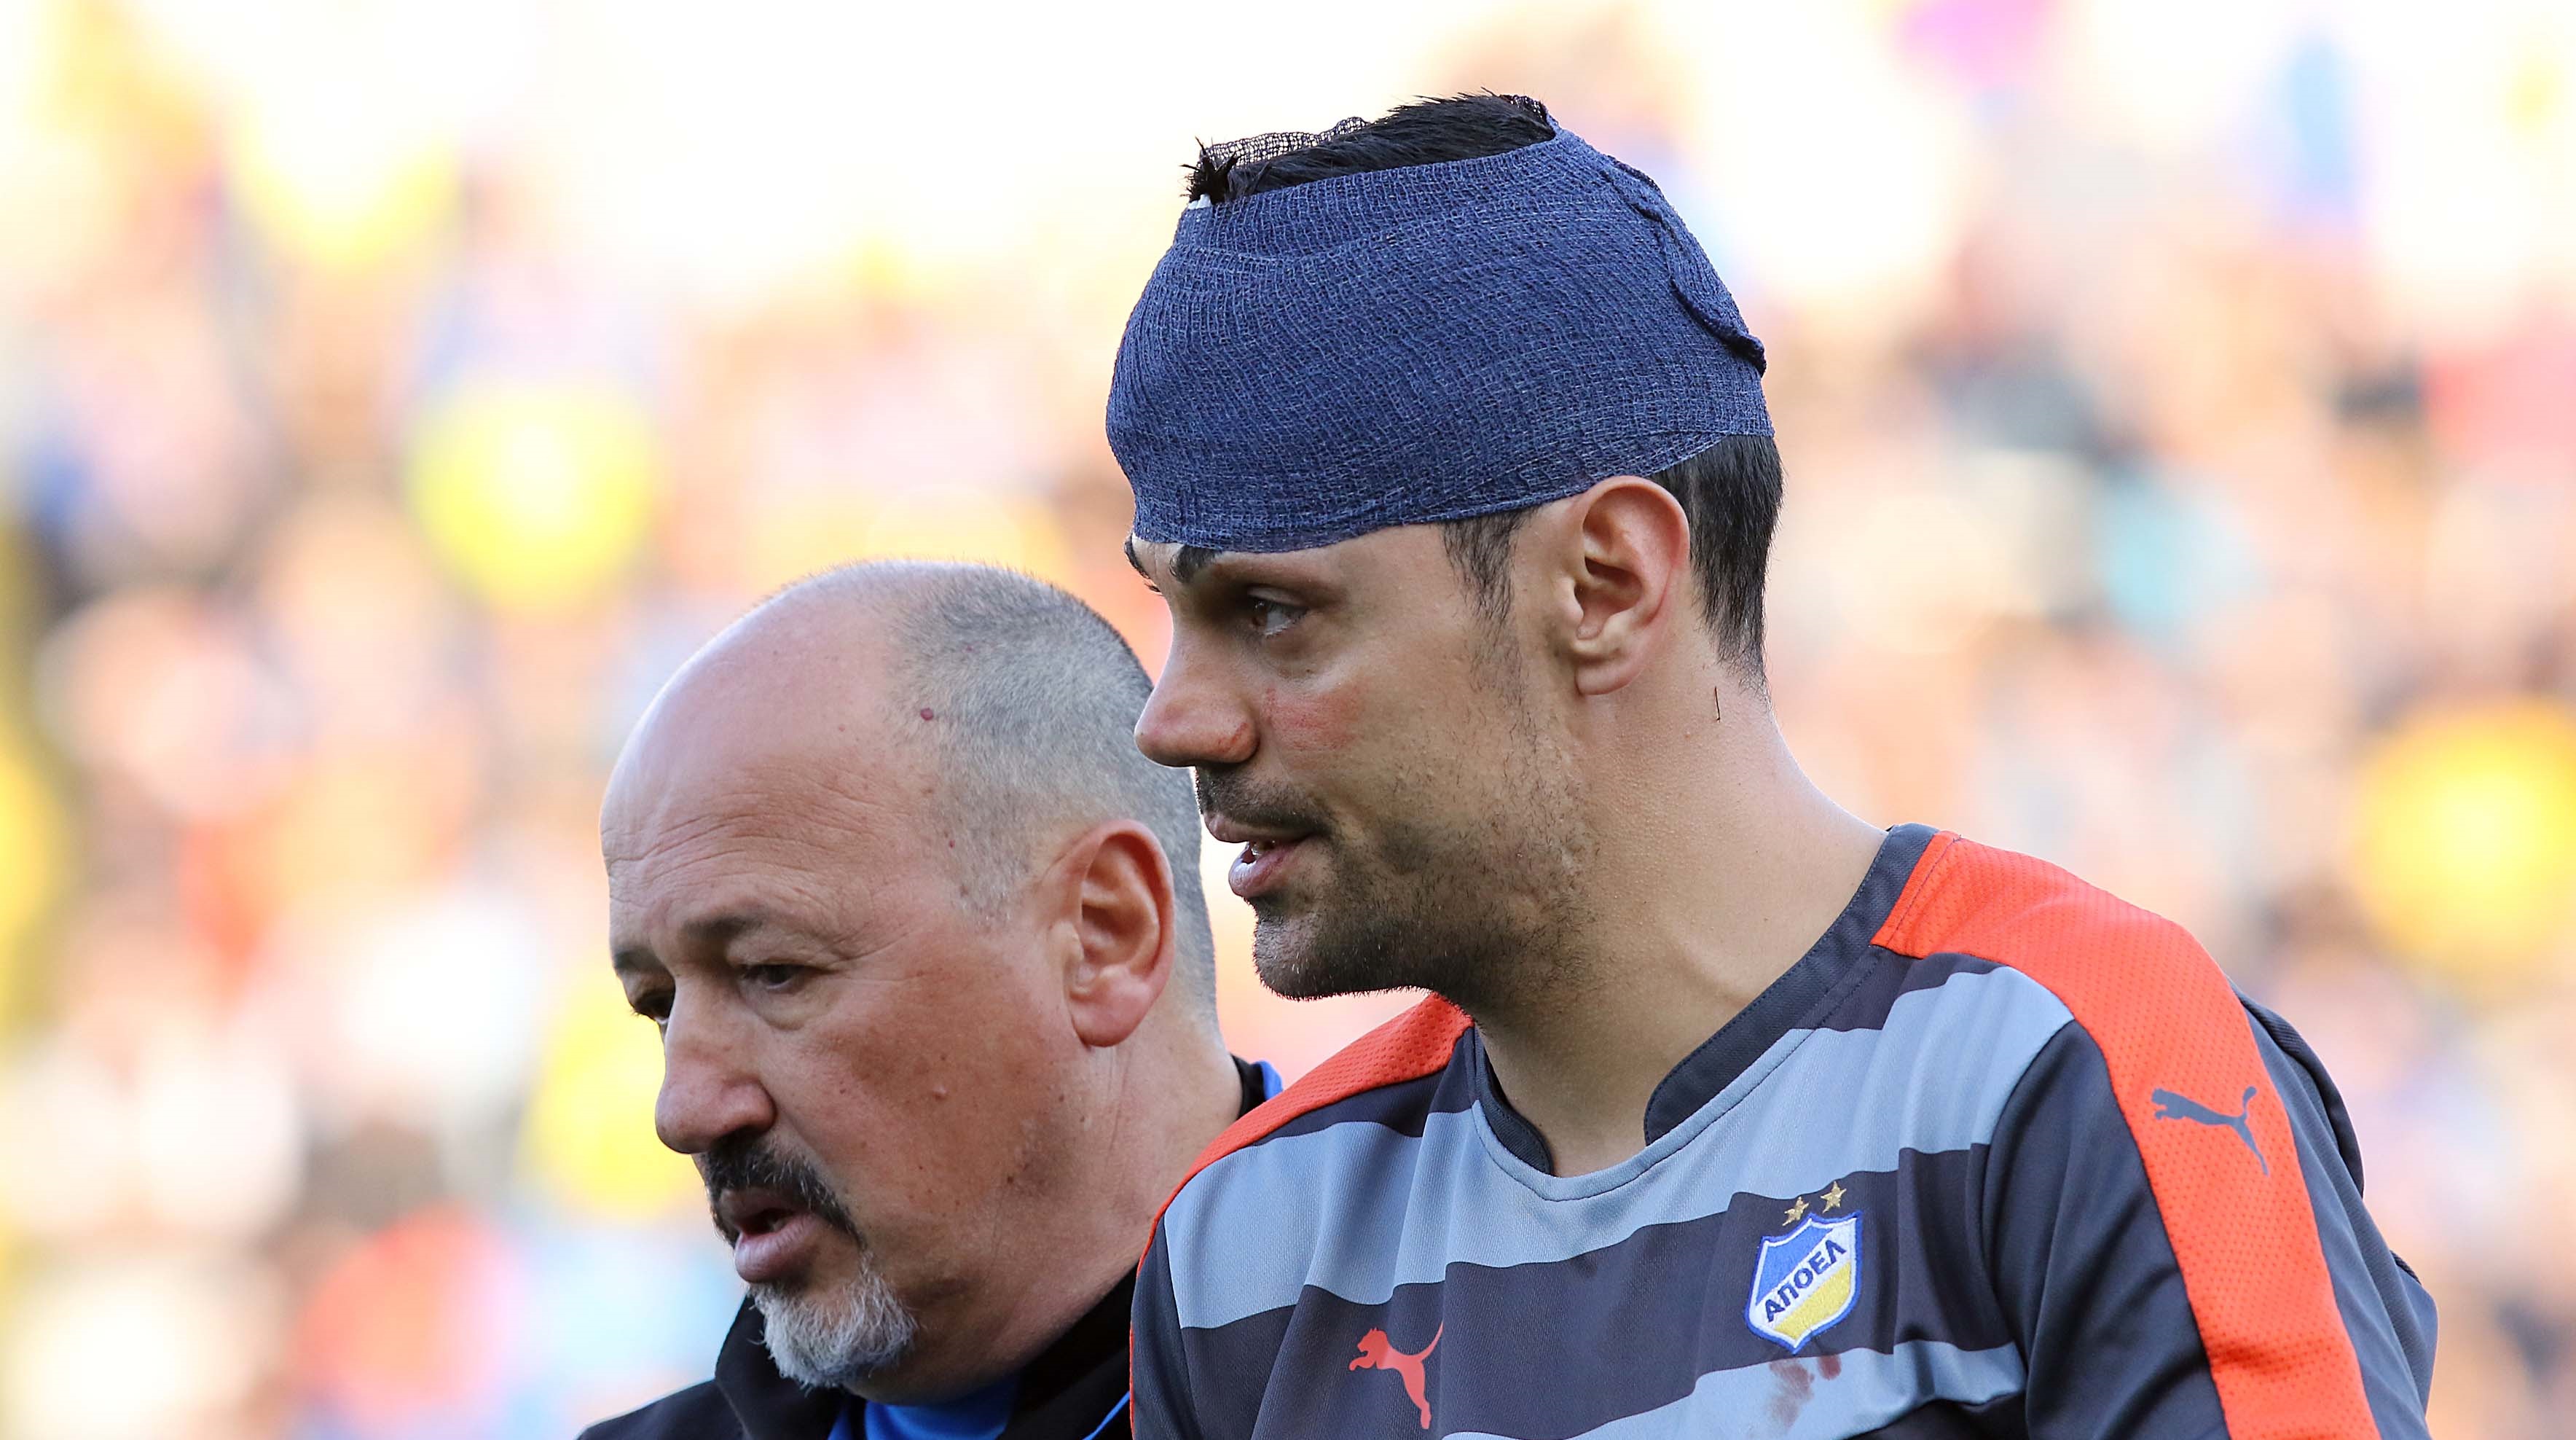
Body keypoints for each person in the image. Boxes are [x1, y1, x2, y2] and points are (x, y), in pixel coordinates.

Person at [1110, 94, 2435, 1439]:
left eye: (1269, 613)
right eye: (1170, 613)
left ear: (1605, 583)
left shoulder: (2085, 1071)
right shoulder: (1241, 1251)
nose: (1172, 722)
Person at [584, 562, 1275, 1440]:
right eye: (658, 1005)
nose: (684, 1111)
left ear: (1103, 934)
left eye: (773, 971)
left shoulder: (1419, 1372)